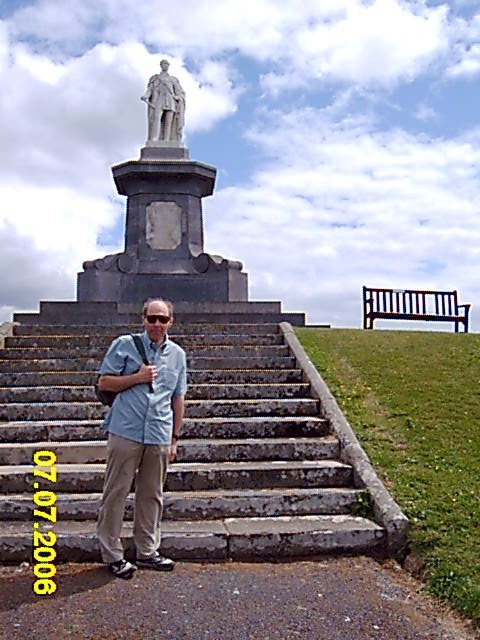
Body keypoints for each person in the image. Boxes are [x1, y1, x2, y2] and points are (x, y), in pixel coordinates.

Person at [96, 298, 187, 579]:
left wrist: (174, 437)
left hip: (159, 431)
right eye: (152, 319)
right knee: (116, 493)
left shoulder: (177, 355)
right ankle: (112, 554)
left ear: (171, 322)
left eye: (162, 319)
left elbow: (178, 398)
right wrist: (137, 377)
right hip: (126, 429)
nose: (157, 324)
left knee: (152, 494)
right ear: (143, 319)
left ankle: (147, 550)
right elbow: (104, 383)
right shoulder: (124, 344)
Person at [141, 59, 185, 142]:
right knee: (156, 119)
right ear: (161, 65)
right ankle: (155, 137)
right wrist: (145, 96)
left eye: (167, 64)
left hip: (170, 101)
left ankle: (167, 139)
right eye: (164, 64)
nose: (166, 66)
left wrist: (177, 97)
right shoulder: (155, 78)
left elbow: (180, 92)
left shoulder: (173, 79)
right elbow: (150, 90)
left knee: (169, 122)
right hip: (159, 101)